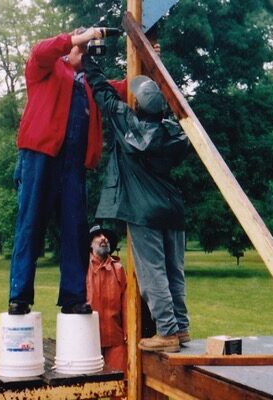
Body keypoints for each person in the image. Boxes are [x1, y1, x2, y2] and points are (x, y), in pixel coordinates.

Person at [8, 27, 128, 315]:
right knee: (30, 225)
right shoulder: (47, 68)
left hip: (73, 164)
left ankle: (73, 297)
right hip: (39, 156)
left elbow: (124, 88)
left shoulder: (89, 83)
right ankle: (19, 296)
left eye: (87, 48)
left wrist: (148, 62)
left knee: (75, 230)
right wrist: (79, 38)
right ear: (70, 45)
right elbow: (40, 50)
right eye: (80, 46)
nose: (84, 51)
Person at [82, 55, 191, 352]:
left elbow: (103, 94)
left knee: (152, 272)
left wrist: (89, 61)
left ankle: (167, 332)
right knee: (174, 271)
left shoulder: (128, 124)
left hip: (144, 210)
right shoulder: (174, 132)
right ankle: (181, 327)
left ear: (138, 107)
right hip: (173, 207)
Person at [87, 224, 127, 373]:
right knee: (88, 382)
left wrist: (128, 331)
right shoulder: (81, 268)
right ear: (90, 244)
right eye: (98, 235)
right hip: (88, 339)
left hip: (115, 339)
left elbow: (126, 305)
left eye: (105, 236)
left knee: (119, 380)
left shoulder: (119, 269)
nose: (103, 238)